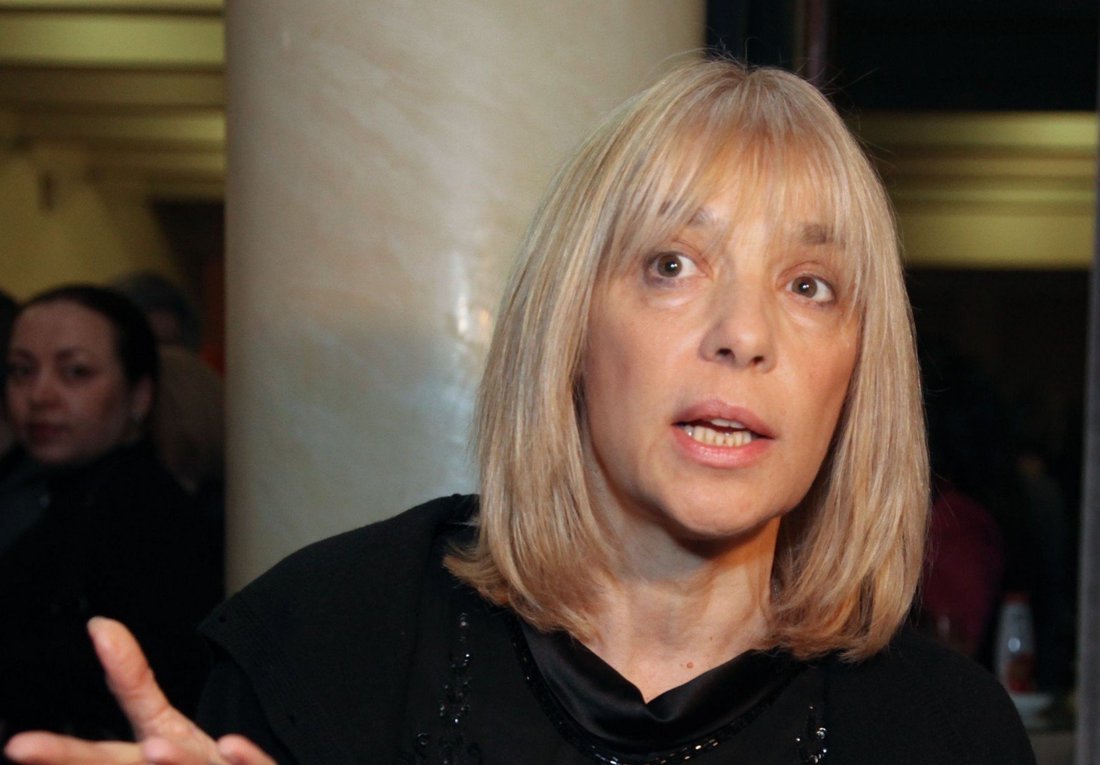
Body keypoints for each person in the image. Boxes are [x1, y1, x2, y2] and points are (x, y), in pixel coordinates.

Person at [4, 60, 1035, 765]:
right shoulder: (326, 647)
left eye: (809, 286)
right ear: (570, 325)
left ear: (855, 370)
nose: (743, 333)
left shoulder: (943, 732)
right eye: (671, 265)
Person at [0, 285, 222, 753]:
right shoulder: (30, 490)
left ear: (139, 395)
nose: (40, 395)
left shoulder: (154, 526)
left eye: (75, 372)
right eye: (22, 371)